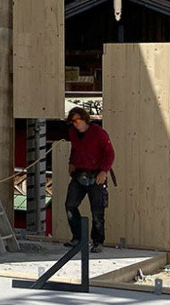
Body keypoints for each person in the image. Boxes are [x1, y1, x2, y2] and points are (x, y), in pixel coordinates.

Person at [64, 106, 114, 252]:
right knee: (70, 205)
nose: (75, 124)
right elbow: (74, 149)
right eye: (73, 121)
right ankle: (78, 238)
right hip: (79, 174)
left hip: (96, 176)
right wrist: (71, 163)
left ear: (85, 119)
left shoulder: (98, 133)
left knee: (97, 212)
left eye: (78, 120)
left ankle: (98, 242)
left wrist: (104, 171)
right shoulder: (73, 133)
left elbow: (109, 153)